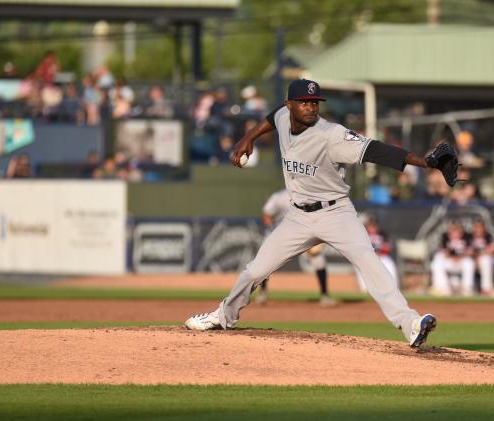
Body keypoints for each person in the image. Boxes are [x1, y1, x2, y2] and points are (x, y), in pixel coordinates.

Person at [185, 79, 438, 348]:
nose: (311, 107)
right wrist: (249, 137)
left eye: (315, 102)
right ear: (289, 104)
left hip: (336, 212)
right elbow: (271, 118)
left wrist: (424, 162)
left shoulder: (332, 134)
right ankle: (222, 316)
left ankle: (411, 324)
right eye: (304, 102)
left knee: (369, 262)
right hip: (297, 217)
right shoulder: (283, 117)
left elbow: (376, 150)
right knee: (254, 271)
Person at [256, 188, 335, 306]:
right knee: (265, 262)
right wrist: (272, 231)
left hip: (304, 233)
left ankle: (324, 295)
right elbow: (267, 214)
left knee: (318, 260)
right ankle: (262, 293)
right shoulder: (279, 197)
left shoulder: (310, 195)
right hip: (281, 233)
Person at [430, 221, 475, 296]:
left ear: (461, 232)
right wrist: (452, 257)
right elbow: (443, 252)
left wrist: (459, 257)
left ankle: (467, 288)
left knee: (469, 262)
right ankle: (443, 288)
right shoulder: (445, 239)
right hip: (449, 262)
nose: (454, 233)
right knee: (436, 262)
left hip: (461, 262)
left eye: (456, 231)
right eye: (452, 231)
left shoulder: (466, 239)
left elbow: (470, 252)